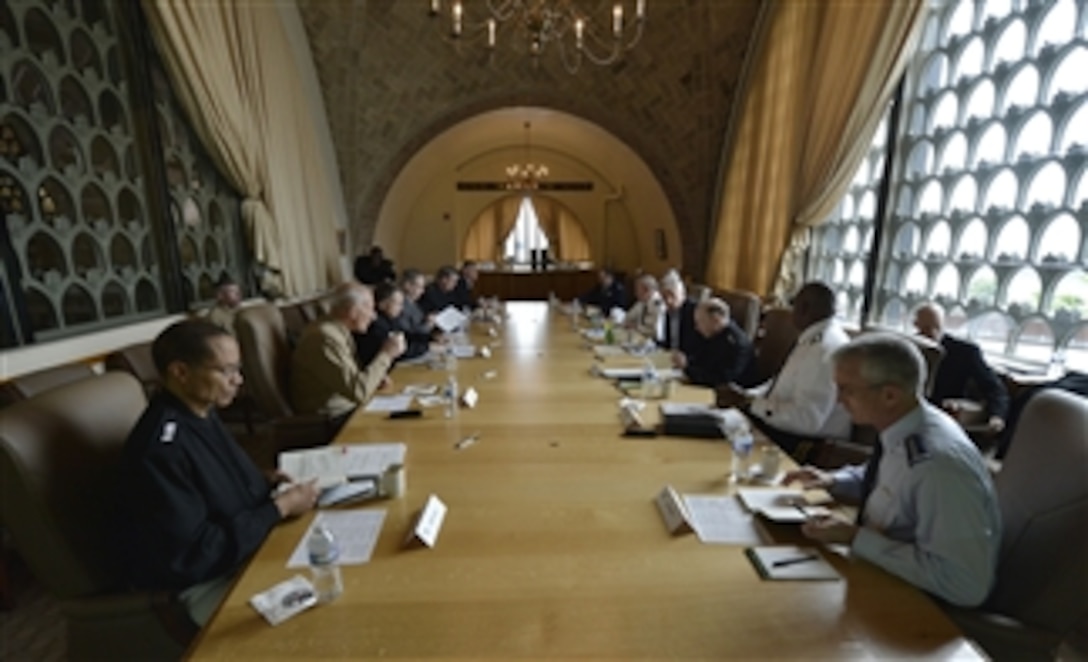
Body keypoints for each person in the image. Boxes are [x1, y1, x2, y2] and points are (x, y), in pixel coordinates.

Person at [114, 319, 319, 627]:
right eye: (226, 371)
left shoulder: (200, 411)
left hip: (245, 548)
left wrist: (263, 480)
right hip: (207, 583)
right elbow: (195, 555)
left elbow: (209, 485)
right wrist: (281, 507)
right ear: (180, 372)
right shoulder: (161, 449)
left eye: (238, 369)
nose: (238, 380)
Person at [782, 333, 1001, 608]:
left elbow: (964, 584)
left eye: (847, 390)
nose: (838, 400)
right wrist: (833, 481)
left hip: (920, 612)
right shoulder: (907, 427)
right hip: (878, 574)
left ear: (889, 395)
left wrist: (855, 537)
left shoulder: (938, 467)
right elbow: (892, 484)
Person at [716, 281, 851, 462]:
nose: (790, 312)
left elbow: (807, 420)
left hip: (807, 445)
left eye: (792, 304)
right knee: (716, 424)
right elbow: (778, 385)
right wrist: (745, 396)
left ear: (804, 308)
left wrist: (750, 403)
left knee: (721, 445)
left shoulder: (823, 349)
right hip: (783, 427)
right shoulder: (813, 338)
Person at [290, 282, 406, 424]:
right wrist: (386, 354)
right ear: (353, 311)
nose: (374, 316)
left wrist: (374, 379)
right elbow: (359, 392)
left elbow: (353, 380)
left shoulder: (337, 330)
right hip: (334, 420)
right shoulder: (325, 337)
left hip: (348, 409)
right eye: (369, 308)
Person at [913, 303, 1009, 434]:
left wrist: (997, 416)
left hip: (945, 418)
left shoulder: (965, 352)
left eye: (933, 327)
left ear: (942, 325)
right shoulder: (912, 346)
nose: (929, 333)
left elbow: (994, 387)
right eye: (922, 329)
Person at [674, 297, 754, 388]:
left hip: (731, 394)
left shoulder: (735, 344)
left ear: (715, 320)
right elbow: (700, 359)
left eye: (700, 322)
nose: (696, 327)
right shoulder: (712, 333)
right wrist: (686, 361)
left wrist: (687, 368)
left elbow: (719, 379)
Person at [355, 281, 431, 369]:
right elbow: (399, 351)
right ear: (382, 305)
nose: (401, 308)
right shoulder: (376, 325)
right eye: (398, 304)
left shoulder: (390, 318)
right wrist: (427, 347)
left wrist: (430, 338)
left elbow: (405, 335)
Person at [657, 270, 698, 356]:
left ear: (683, 294)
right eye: (664, 297)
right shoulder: (668, 311)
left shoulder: (695, 311)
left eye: (672, 295)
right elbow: (668, 342)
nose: (668, 301)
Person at [624, 273, 666, 340]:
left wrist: (637, 327)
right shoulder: (642, 302)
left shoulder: (658, 305)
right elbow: (628, 318)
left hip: (654, 343)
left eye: (637, 290)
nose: (635, 293)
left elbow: (655, 332)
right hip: (640, 339)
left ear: (646, 290)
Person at [400, 268, 437, 337]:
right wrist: (428, 325)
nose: (422, 292)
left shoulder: (414, 302)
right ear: (407, 285)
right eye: (420, 287)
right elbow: (409, 333)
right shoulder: (400, 305)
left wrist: (427, 318)